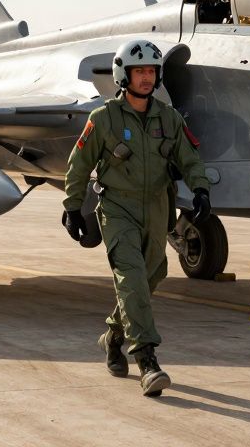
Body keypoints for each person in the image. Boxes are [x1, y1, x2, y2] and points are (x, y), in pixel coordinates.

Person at [63, 39, 211, 396]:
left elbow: (189, 159)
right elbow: (79, 165)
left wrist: (201, 189)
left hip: (158, 207)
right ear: (123, 75)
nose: (146, 78)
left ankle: (113, 335)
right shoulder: (103, 119)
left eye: (151, 71)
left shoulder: (169, 118)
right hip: (118, 208)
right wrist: (71, 207)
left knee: (151, 276)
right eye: (139, 71)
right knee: (131, 277)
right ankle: (147, 359)